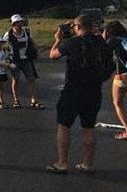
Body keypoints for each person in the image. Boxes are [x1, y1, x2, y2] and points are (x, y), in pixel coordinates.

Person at [47, 14, 113, 173]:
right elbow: (109, 66)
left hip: (73, 89)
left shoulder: (72, 42)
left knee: (64, 125)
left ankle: (62, 163)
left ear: (78, 27)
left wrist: (58, 39)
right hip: (93, 90)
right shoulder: (101, 43)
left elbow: (53, 55)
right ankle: (87, 163)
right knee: (89, 127)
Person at [4, 14, 43, 108]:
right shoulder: (8, 34)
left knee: (31, 79)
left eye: (20, 22)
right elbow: (3, 46)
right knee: (15, 80)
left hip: (26, 58)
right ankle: (16, 100)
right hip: (14, 60)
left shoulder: (27, 32)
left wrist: (37, 53)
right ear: (13, 24)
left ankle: (33, 99)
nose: (19, 25)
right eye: (17, 23)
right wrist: (6, 58)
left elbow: (32, 42)